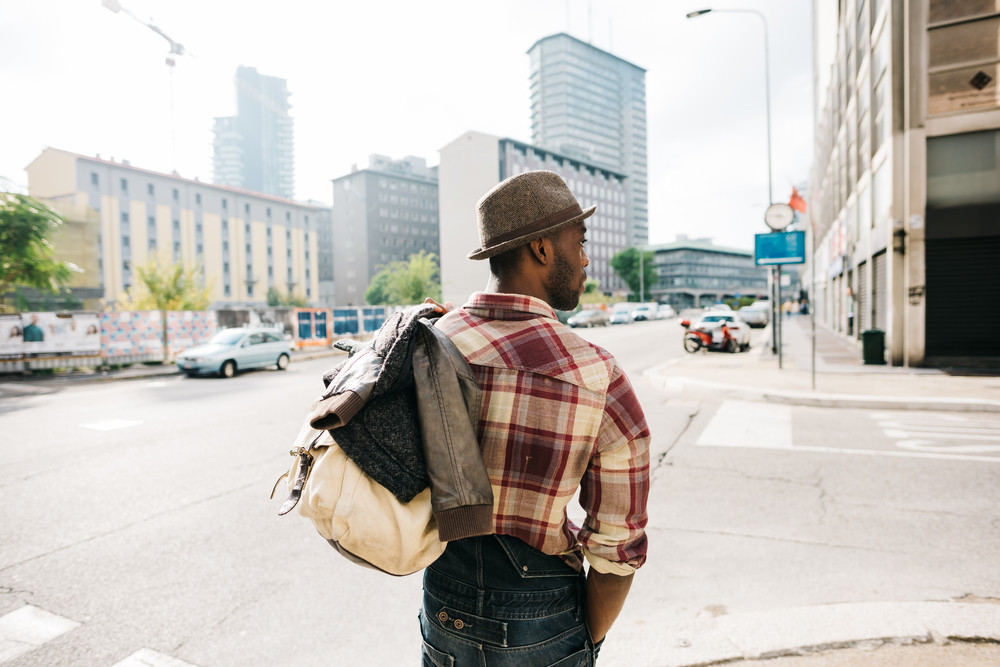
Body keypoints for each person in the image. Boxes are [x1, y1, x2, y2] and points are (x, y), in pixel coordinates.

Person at [420, 170, 650, 665]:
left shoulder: (429, 342)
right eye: (580, 241)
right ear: (543, 250)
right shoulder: (596, 374)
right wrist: (582, 644)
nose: (587, 257)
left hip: (443, 598)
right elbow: (617, 550)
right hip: (543, 612)